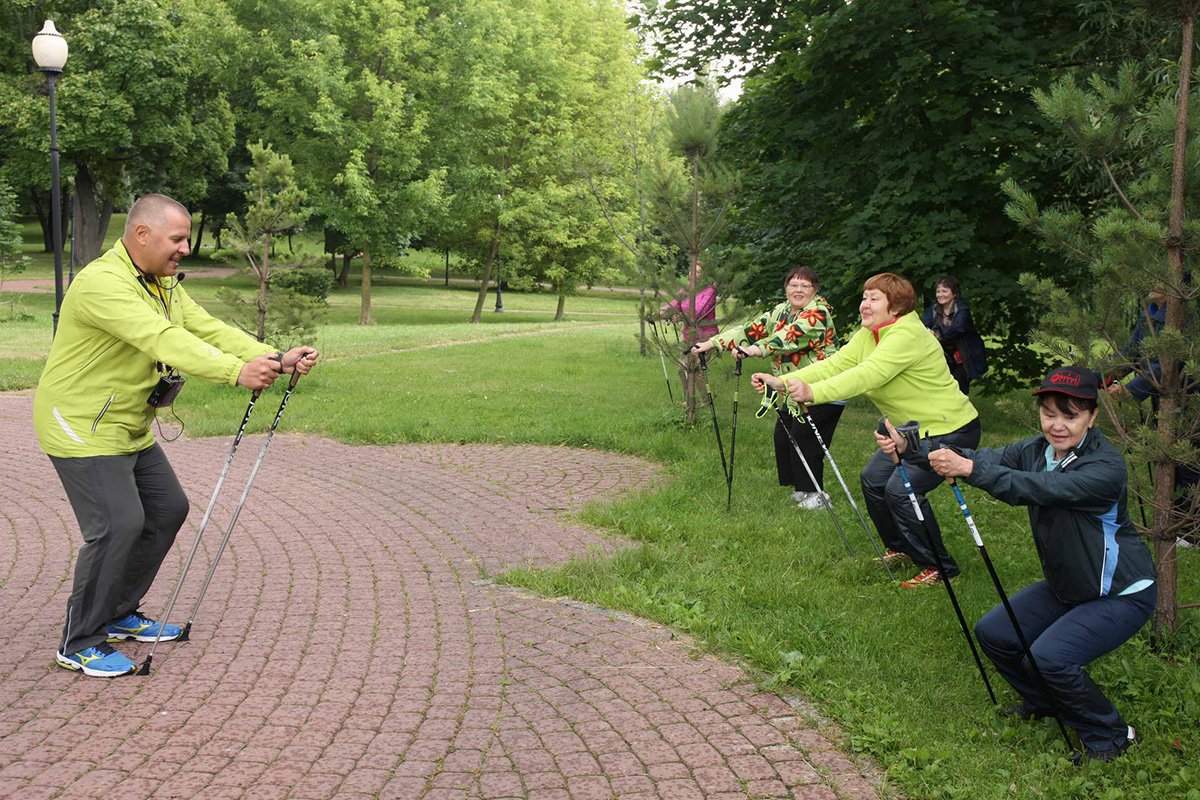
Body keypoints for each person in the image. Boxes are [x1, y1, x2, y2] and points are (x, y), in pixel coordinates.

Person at [32, 193, 319, 678]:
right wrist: (235, 372)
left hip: (125, 424)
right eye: (178, 238)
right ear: (141, 234)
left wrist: (271, 356)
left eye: (187, 238)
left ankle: (118, 611)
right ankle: (79, 639)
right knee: (118, 525)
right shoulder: (103, 284)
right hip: (81, 425)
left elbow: (205, 328)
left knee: (167, 509)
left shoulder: (161, 284)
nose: (185, 248)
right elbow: (163, 339)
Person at [909, 366, 1155, 762]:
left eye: (1070, 415)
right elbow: (980, 457)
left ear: (1092, 417)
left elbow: (1038, 488)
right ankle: (1047, 702)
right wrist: (913, 451)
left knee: (1050, 657)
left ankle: (1111, 736)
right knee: (995, 633)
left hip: (1120, 593)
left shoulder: (1105, 468)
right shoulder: (1035, 450)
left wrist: (971, 470)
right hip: (1070, 587)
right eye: (1049, 414)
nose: (1057, 425)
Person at [753, 272, 980, 588]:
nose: (865, 304)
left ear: (896, 306)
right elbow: (838, 363)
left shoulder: (906, 335)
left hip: (948, 429)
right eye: (864, 297)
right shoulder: (871, 333)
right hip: (906, 431)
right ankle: (902, 548)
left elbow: (866, 375)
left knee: (902, 491)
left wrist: (812, 393)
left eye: (874, 298)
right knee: (873, 481)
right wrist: (786, 383)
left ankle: (940, 568)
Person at [692, 267, 843, 509]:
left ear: (815, 290)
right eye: (793, 285)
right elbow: (750, 330)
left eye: (805, 286)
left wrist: (752, 350)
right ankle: (801, 489)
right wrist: (710, 343)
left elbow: (787, 338)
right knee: (784, 437)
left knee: (806, 439)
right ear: (786, 289)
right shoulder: (781, 311)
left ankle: (817, 494)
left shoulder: (818, 314)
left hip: (822, 388)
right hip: (791, 390)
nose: (798, 290)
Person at [1105, 288, 1198, 545]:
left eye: (1157, 279)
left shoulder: (1187, 317)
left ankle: (1192, 532)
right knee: (1171, 463)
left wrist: (1131, 389)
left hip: (1191, 400)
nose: (1149, 285)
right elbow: (1129, 354)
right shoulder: (1150, 315)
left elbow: (1170, 362)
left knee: (1188, 464)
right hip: (1164, 401)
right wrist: (1101, 377)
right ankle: (1180, 525)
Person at [921, 275, 987, 395]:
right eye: (938, 291)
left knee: (958, 389)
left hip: (964, 356)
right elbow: (922, 324)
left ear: (954, 294)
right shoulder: (934, 309)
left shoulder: (962, 309)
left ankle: (965, 413)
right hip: (943, 356)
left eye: (944, 291)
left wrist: (937, 334)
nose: (940, 294)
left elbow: (958, 329)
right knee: (940, 387)